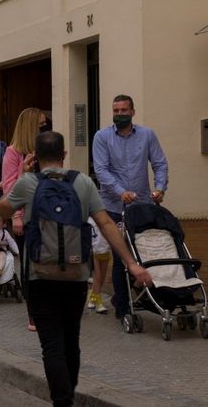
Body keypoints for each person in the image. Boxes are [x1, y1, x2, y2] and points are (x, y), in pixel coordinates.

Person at [0, 131, 153, 407]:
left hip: (39, 275)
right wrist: (131, 263)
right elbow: (105, 224)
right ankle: (67, 394)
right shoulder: (83, 183)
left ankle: (62, 401)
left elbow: (2, 211)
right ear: (64, 154)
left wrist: (20, 176)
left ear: (35, 157)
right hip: (77, 275)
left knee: (51, 345)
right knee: (71, 339)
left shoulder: (28, 183)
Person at [92, 94, 168, 321]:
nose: (120, 114)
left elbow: (160, 163)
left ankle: (143, 295)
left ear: (132, 112)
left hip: (143, 205)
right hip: (114, 207)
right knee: (121, 256)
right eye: (116, 111)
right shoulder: (102, 137)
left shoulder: (147, 135)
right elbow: (101, 170)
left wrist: (160, 188)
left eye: (124, 110)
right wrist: (119, 191)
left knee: (144, 253)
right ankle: (123, 308)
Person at [1, 107, 47, 330]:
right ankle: (34, 313)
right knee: (30, 265)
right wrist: (17, 216)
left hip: (45, 215)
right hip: (25, 217)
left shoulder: (42, 151)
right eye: (40, 125)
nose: (44, 128)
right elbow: (10, 187)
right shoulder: (13, 153)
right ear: (30, 127)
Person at [87, 217, 110, 314]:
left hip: (108, 224)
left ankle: (92, 297)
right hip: (96, 229)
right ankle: (98, 302)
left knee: (103, 274)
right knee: (98, 274)